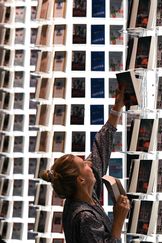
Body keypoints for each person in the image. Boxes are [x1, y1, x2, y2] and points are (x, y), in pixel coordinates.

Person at [40, 87, 130, 243]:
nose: (89, 163)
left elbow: (100, 148)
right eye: (84, 164)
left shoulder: (83, 195)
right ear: (81, 180)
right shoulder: (84, 217)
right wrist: (118, 221)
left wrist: (117, 108)